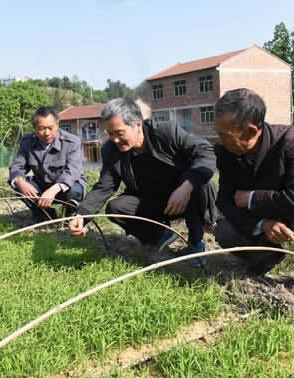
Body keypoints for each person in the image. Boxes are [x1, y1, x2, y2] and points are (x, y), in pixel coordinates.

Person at [212, 88, 294, 296]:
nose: (219, 141)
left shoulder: (292, 142)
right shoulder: (225, 151)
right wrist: (262, 225)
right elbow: (225, 200)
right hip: (262, 216)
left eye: (224, 135)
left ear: (250, 132)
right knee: (223, 231)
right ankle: (264, 257)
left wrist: (251, 199)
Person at [69, 97, 217, 265]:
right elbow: (104, 186)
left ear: (138, 124)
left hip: (185, 197)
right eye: (110, 134)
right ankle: (160, 235)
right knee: (116, 207)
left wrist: (187, 186)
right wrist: (82, 215)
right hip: (151, 201)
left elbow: (206, 151)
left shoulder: (166, 132)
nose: (115, 140)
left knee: (200, 180)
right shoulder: (111, 150)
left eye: (120, 133)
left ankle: (195, 244)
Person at [8, 106, 86, 222]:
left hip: (65, 187)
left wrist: (54, 189)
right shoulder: (27, 142)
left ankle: (70, 214)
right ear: (34, 127)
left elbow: (72, 171)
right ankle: (45, 215)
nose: (47, 133)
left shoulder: (72, 142)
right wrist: (20, 182)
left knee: (74, 190)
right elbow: (17, 167)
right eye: (41, 128)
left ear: (58, 124)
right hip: (42, 186)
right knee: (20, 185)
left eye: (50, 128)